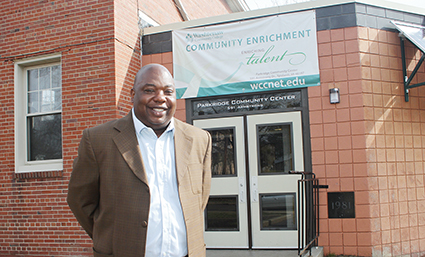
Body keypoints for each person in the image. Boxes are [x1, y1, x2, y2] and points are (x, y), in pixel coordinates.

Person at [67, 63, 212, 257]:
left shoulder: (199, 139)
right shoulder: (97, 140)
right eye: (149, 90)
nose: (160, 98)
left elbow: (200, 199)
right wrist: (109, 236)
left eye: (168, 91)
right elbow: (80, 201)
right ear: (132, 94)